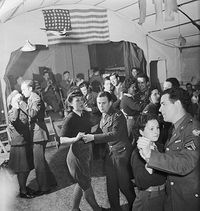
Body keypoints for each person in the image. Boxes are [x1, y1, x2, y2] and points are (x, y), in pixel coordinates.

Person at [137, 87, 200, 211]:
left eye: (163, 104)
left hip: (187, 200)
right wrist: (151, 165)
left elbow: (185, 163)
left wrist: (151, 156)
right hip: (174, 195)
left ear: (176, 104)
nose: (160, 109)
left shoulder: (193, 129)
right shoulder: (175, 128)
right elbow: (172, 159)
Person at [83, 91, 135, 211]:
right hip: (110, 153)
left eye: (104, 103)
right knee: (111, 185)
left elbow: (114, 135)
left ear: (110, 102)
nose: (101, 106)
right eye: (99, 103)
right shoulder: (104, 115)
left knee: (124, 185)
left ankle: (136, 207)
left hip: (120, 153)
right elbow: (102, 132)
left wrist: (93, 137)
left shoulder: (117, 115)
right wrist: (88, 134)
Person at [59, 90, 105, 211]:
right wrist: (75, 138)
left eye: (81, 99)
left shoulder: (85, 115)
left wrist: (89, 110)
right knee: (86, 185)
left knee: (83, 182)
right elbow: (62, 140)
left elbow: (94, 124)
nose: (80, 102)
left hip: (87, 152)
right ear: (70, 104)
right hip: (76, 155)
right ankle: (97, 209)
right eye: (77, 100)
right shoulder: (70, 118)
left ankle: (74, 209)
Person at [19, 80, 57, 196]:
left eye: (24, 89)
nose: (22, 92)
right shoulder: (31, 98)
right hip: (37, 134)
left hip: (39, 135)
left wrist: (21, 103)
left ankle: (44, 188)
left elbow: (33, 114)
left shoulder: (35, 98)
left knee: (38, 164)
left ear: (30, 88)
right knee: (41, 161)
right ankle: (51, 181)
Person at [131, 113, 166, 211]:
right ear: (141, 131)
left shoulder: (160, 147)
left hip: (163, 194)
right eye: (151, 129)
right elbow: (142, 182)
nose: (156, 132)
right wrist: (149, 161)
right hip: (149, 197)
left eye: (157, 128)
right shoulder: (137, 153)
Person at [7, 90, 34, 199]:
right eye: (18, 99)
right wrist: (16, 107)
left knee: (25, 169)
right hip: (19, 144)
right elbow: (14, 120)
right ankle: (23, 191)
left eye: (20, 98)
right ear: (13, 100)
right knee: (23, 169)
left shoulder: (19, 108)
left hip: (24, 141)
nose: (20, 100)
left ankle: (23, 187)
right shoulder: (13, 110)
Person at [120, 78, 145, 143]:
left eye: (135, 87)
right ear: (127, 88)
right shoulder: (126, 98)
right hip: (130, 122)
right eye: (133, 87)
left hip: (133, 120)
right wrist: (145, 102)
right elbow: (138, 107)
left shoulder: (129, 97)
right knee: (131, 140)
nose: (135, 89)